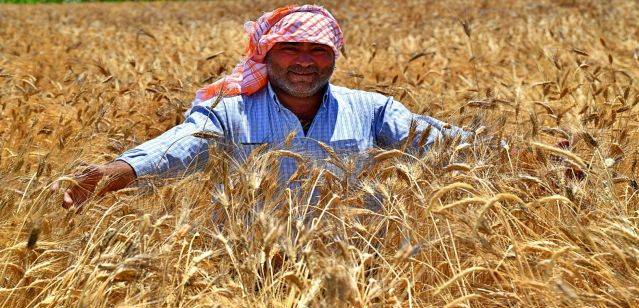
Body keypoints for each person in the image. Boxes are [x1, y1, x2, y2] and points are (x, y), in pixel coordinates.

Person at [51, 5, 470, 209]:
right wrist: (121, 172)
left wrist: (511, 153)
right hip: (254, 273)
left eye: (318, 50)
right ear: (266, 54)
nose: (304, 60)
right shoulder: (229, 112)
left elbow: (444, 144)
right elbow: (180, 145)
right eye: (290, 48)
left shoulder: (372, 110)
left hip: (356, 271)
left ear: (335, 56)